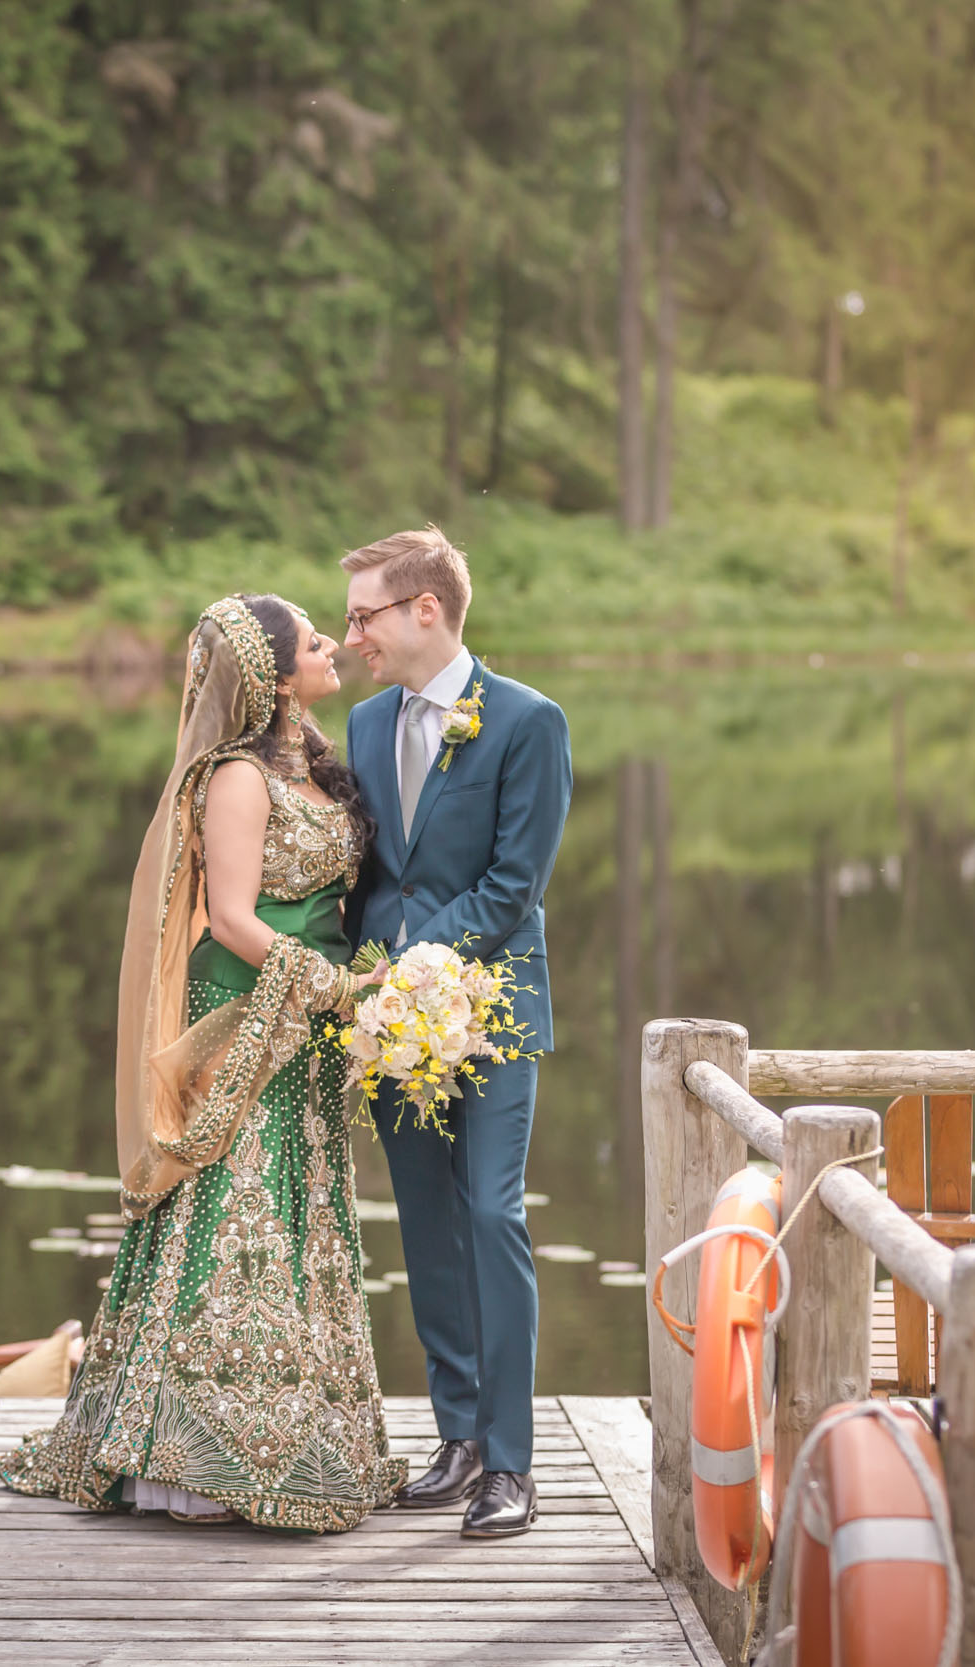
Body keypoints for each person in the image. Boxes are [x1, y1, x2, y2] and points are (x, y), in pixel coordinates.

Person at [0, 594, 406, 1531]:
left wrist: (362, 981)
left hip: (311, 1017)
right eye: (311, 640)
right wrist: (329, 985)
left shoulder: (318, 771)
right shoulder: (235, 779)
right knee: (231, 1209)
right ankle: (188, 1456)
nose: (333, 646)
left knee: (301, 1207)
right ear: (269, 674)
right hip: (247, 1013)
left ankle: (300, 1432)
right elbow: (230, 919)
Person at [340, 526, 573, 1539]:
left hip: (495, 1009)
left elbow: (513, 884)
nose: (354, 636)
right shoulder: (358, 726)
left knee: (489, 1214)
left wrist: (411, 962)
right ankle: (459, 1436)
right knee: (428, 1228)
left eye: (365, 615)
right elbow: (367, 877)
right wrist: (356, 984)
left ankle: (513, 1463)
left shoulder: (526, 721)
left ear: (424, 608)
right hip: (388, 1023)